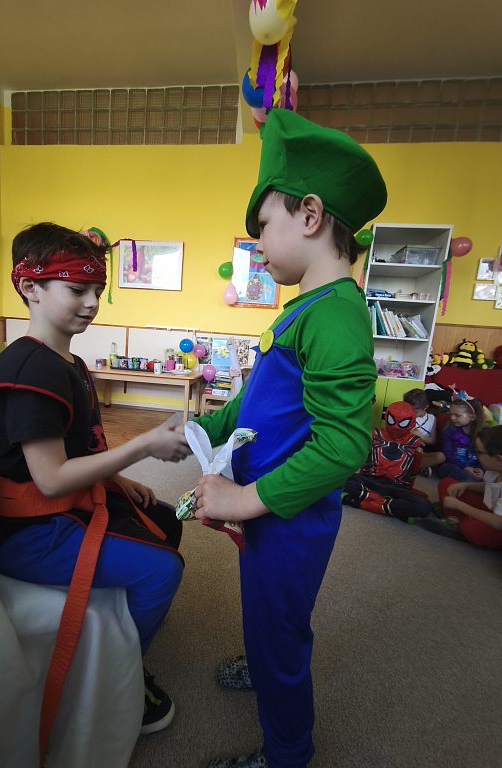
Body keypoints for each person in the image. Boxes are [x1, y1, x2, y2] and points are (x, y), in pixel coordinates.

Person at [0, 222, 191, 744]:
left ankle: (121, 638)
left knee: (166, 521)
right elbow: (51, 479)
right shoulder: (33, 373)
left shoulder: (69, 363)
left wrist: (117, 477)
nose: (92, 303)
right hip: (33, 532)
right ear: (30, 287)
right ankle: (124, 678)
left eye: (97, 289)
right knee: (163, 569)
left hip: (62, 510)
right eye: (77, 289)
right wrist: (143, 445)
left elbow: (75, 447)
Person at [192, 109, 387, 768]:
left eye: (262, 226)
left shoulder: (335, 316)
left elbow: (342, 446)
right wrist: (201, 428)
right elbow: (259, 401)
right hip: (269, 507)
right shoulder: (307, 306)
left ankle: (288, 754)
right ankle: (263, 656)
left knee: (280, 629)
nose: (257, 244)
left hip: (288, 515)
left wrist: (243, 500)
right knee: (265, 611)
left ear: (309, 216)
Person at [343, 400, 434, 522]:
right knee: (339, 478)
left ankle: (357, 501)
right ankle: (389, 506)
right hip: (368, 480)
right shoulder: (374, 434)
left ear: (411, 422)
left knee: (424, 506)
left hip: (396, 487)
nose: (396, 426)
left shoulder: (416, 444)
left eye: (402, 423)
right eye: (392, 421)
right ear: (387, 417)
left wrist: (408, 490)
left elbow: (413, 473)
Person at [419, 425, 502, 549]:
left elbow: (499, 523)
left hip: (498, 523)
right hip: (492, 509)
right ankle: (455, 519)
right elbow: (492, 487)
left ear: (498, 459)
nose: (476, 456)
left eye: (479, 452)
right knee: (448, 484)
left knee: (474, 528)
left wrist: (459, 506)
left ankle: (457, 521)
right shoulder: (494, 469)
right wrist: (467, 485)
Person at [432, 397, 485, 482]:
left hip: (474, 467)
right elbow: (448, 455)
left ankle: (475, 483)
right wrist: (465, 468)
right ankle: (470, 483)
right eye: (450, 414)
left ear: (472, 417)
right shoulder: (448, 431)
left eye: (457, 415)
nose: (452, 418)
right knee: (448, 468)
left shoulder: (482, 434)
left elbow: (485, 456)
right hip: (453, 464)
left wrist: (482, 471)